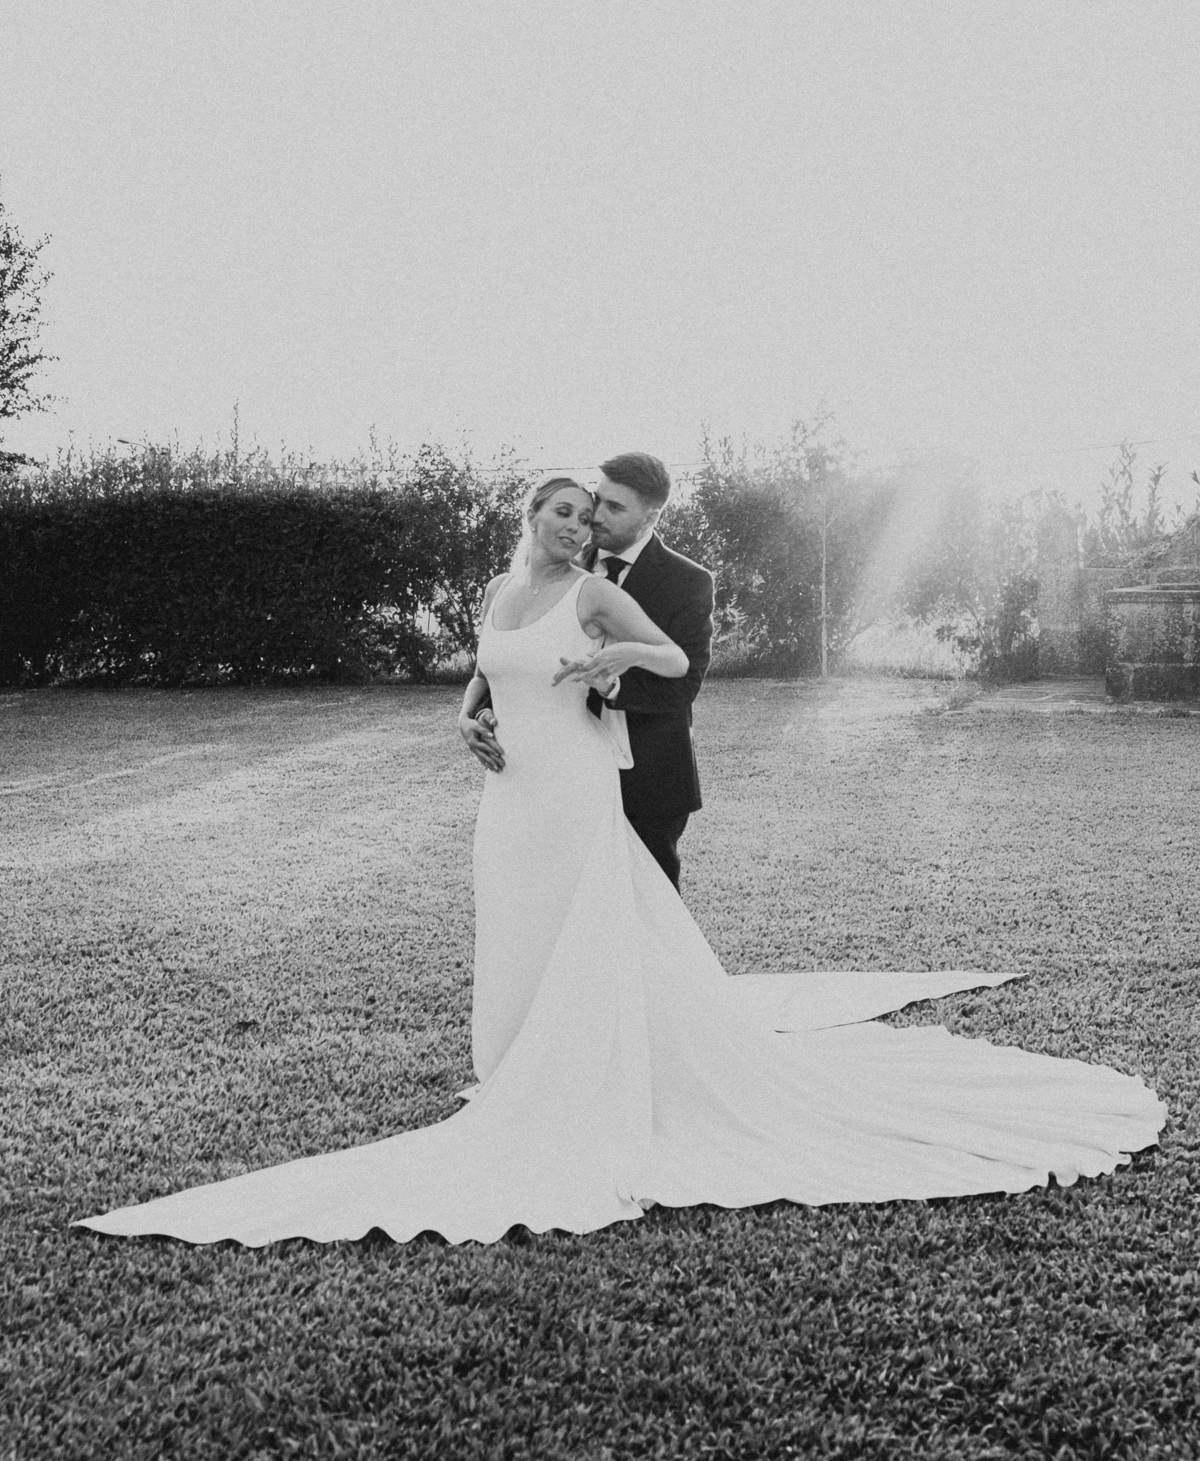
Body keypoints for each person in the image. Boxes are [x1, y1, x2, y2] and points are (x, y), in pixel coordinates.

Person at [76, 475, 1165, 1248]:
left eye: (583, 514)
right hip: (510, 795)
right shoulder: (497, 594)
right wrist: (463, 716)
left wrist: (613, 659)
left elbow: (676, 655)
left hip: (575, 788)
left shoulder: (594, 592)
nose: (572, 524)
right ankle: (514, 1068)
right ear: (529, 519)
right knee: (517, 924)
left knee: (590, 924)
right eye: (557, 511)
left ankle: (591, 1074)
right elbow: (489, 672)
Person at [584, 453, 713, 891]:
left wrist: (613, 688)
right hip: (569, 768)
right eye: (596, 499)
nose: (597, 515)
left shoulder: (688, 581)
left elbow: (685, 684)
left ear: (651, 516)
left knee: (651, 902)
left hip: (650, 776)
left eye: (615, 507)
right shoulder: (566, 567)